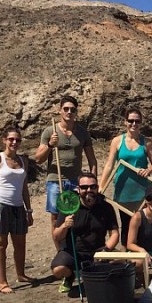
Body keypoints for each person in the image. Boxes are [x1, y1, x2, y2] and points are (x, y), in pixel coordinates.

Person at [34, 96, 98, 250]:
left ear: (77, 111)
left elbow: (92, 160)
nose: (69, 112)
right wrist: (50, 145)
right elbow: (38, 159)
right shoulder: (50, 131)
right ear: (60, 110)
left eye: (73, 109)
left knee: (76, 215)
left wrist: (93, 181)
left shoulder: (82, 132)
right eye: (66, 109)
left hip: (76, 181)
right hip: (56, 180)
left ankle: (75, 247)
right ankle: (60, 252)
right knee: (56, 217)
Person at [0, 127, 34, 293]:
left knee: (20, 243)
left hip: (18, 206)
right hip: (0, 205)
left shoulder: (23, 161)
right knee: (1, 244)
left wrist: (29, 210)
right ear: (4, 140)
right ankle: (2, 282)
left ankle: (21, 274)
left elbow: (24, 188)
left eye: (17, 140)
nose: (14, 142)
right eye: (11, 139)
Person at [99, 107, 152, 247]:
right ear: (125, 122)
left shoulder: (147, 142)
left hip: (142, 190)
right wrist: (101, 186)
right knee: (126, 224)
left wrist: (148, 170)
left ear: (141, 122)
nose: (134, 124)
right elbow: (109, 165)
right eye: (130, 120)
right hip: (123, 190)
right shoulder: (117, 141)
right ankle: (128, 254)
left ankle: (144, 253)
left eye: (137, 121)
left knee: (142, 222)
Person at [50, 172, 119, 294]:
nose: (89, 190)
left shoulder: (106, 207)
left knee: (123, 262)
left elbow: (114, 234)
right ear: (78, 189)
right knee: (58, 269)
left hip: (99, 251)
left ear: (97, 187)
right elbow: (57, 236)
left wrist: (106, 250)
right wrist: (65, 225)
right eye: (84, 187)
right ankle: (70, 276)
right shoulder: (70, 207)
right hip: (74, 253)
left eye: (93, 187)